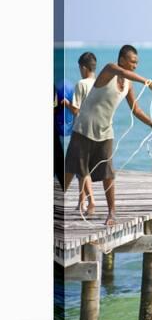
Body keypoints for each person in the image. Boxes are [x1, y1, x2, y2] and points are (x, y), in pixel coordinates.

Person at [65, 44, 152, 226]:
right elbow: (125, 73)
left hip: (105, 132)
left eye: (137, 63)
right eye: (132, 61)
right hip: (83, 129)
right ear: (121, 60)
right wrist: (148, 82)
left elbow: (135, 109)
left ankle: (112, 213)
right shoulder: (109, 69)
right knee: (71, 170)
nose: (135, 65)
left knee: (108, 173)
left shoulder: (128, 84)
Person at [62, 52, 98, 214]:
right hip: (97, 130)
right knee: (80, 167)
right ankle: (81, 202)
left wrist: (67, 103)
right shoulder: (100, 84)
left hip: (81, 131)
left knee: (80, 168)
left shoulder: (81, 84)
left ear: (83, 68)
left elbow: (76, 110)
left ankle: (91, 201)